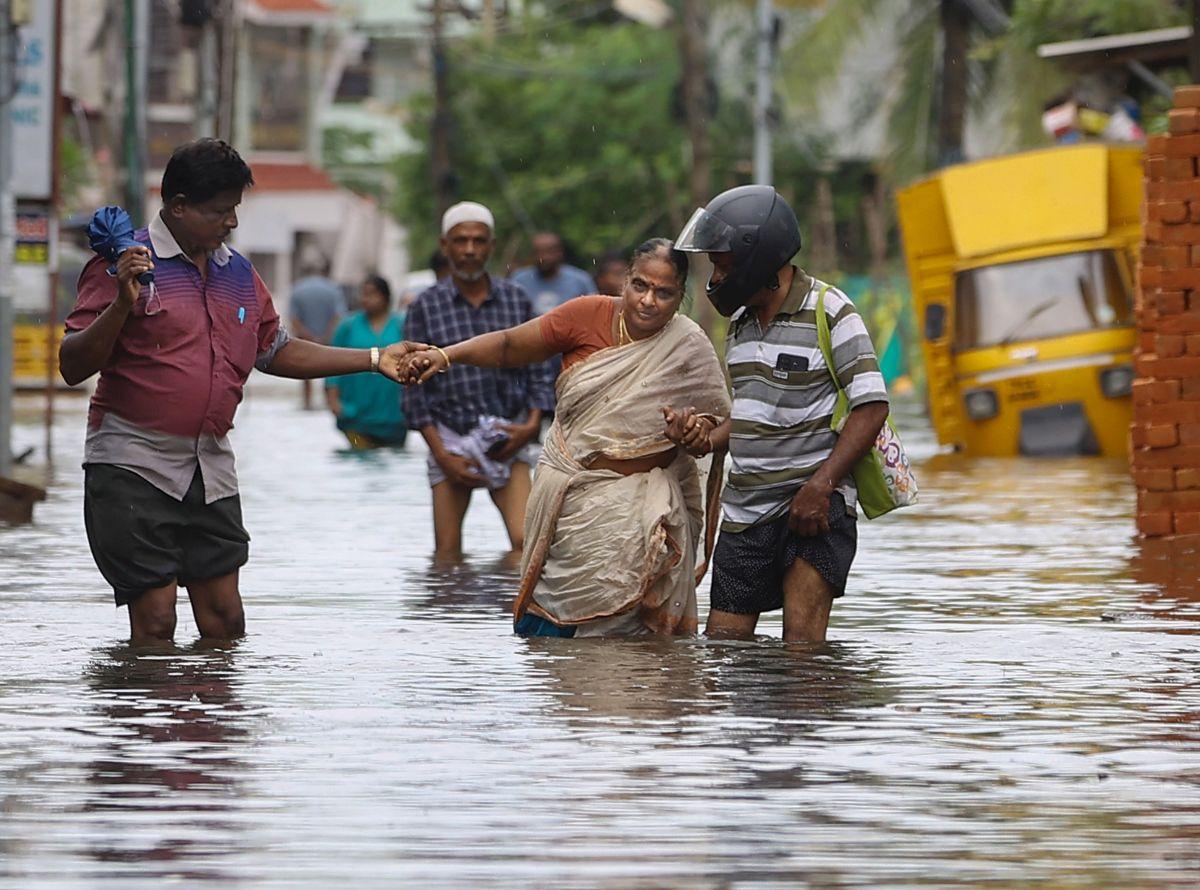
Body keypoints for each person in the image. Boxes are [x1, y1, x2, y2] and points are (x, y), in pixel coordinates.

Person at [59, 138, 415, 645]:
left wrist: (376, 361)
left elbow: (276, 350)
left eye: (234, 210)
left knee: (226, 622)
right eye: (219, 211)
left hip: (210, 466)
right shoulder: (124, 266)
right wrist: (121, 303)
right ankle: (150, 721)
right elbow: (72, 365)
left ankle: (215, 722)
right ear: (177, 206)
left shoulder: (239, 274)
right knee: (156, 622)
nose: (231, 222)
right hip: (132, 463)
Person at [404, 238, 731, 637]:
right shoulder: (586, 314)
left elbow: (720, 424)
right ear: (625, 281)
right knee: (554, 638)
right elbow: (509, 346)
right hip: (574, 505)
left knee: (641, 650)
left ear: (681, 296)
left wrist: (694, 435)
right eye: (640, 286)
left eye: (664, 293)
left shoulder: (688, 345)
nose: (648, 301)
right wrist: (446, 356)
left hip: (648, 511)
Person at [672, 185, 890, 643]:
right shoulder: (740, 325)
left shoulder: (831, 312)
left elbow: (871, 406)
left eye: (723, 263)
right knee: (724, 648)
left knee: (802, 654)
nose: (716, 275)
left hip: (811, 507)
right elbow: (752, 417)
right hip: (743, 513)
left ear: (758, 257)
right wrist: (705, 439)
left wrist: (822, 484)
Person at [403, 201, 557, 563]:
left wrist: (530, 426)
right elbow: (412, 389)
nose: (469, 250)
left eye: (478, 241)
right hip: (450, 439)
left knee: (526, 547)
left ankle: (501, 614)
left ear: (491, 245)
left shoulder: (515, 299)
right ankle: (456, 619)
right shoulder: (425, 306)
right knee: (446, 556)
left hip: (508, 436)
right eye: (461, 241)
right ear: (445, 246)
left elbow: (538, 368)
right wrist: (443, 455)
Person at [325, 275, 408, 449]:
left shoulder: (402, 324)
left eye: (372, 294)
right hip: (354, 415)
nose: (366, 299)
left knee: (392, 461)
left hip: (394, 415)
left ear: (385, 297)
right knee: (360, 454)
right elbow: (331, 363)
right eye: (363, 294)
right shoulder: (347, 326)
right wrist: (333, 401)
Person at [289, 251, 346, 408]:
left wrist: (308, 336)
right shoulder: (333, 289)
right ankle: (330, 401)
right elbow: (338, 316)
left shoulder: (297, 289)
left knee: (305, 371)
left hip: (305, 339)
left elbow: (294, 318)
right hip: (328, 338)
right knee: (331, 370)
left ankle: (307, 402)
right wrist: (327, 335)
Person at [509, 231, 597, 316]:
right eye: (538, 252)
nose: (543, 257)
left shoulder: (580, 280)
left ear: (559, 253)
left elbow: (594, 312)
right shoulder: (519, 280)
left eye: (549, 252)